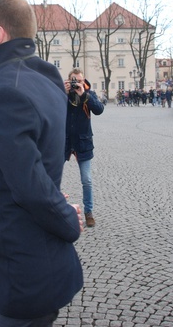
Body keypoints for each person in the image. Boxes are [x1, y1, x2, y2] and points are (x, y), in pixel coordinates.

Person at [0, 0, 83, 326]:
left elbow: (29, 186)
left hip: (24, 265)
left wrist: (68, 222)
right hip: (38, 259)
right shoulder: (43, 77)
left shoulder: (4, 91)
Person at [64, 67, 104, 227]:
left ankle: (88, 212)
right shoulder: (62, 94)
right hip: (64, 141)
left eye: (79, 81)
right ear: (68, 80)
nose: (77, 83)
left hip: (83, 141)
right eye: (74, 80)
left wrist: (84, 95)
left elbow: (99, 110)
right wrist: (63, 93)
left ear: (83, 80)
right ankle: (54, 209)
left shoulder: (89, 94)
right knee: (54, 177)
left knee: (86, 180)